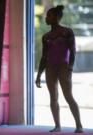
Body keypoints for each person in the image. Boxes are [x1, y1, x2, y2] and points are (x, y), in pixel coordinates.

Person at [35, 5, 83, 133]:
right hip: (50, 68)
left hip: (63, 67)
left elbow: (73, 51)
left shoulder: (67, 32)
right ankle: (57, 126)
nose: (46, 18)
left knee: (68, 96)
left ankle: (79, 125)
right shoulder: (46, 37)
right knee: (53, 97)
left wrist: (70, 68)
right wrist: (39, 74)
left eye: (49, 16)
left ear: (57, 17)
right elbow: (44, 57)